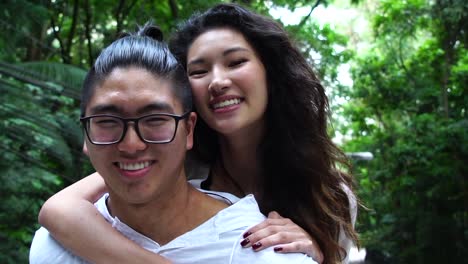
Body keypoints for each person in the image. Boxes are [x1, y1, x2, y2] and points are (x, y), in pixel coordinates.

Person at [38, 3, 359, 264]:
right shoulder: (174, 158)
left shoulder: (328, 193)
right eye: (199, 70)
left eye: (235, 62)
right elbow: (60, 210)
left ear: (270, 73)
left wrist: (315, 254)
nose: (217, 80)